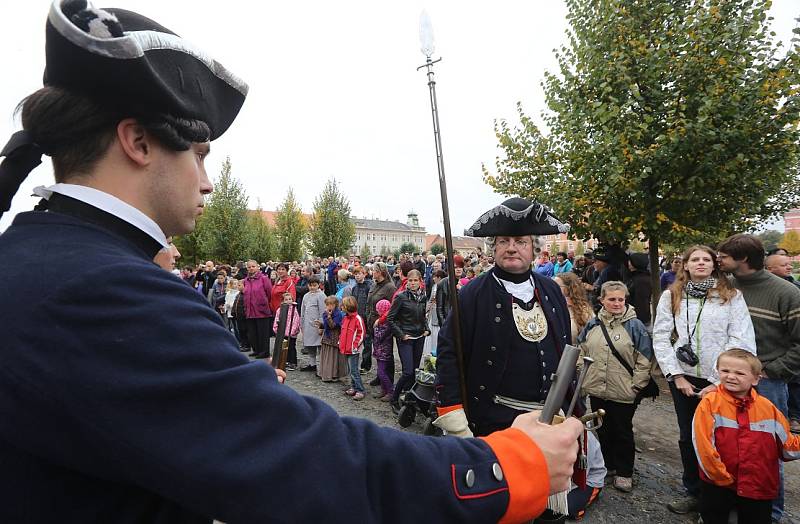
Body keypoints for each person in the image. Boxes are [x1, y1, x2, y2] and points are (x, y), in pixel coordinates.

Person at [0, 2, 583, 522]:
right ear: (139, 142)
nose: (206, 184)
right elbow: (308, 463)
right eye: (199, 155)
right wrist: (509, 467)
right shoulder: (106, 290)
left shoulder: (40, 256)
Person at [435, 197, 573, 438]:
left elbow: (564, 349)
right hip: (493, 423)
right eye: (504, 241)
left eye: (521, 241)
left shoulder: (551, 291)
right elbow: (449, 354)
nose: (512, 247)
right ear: (494, 247)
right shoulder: (473, 294)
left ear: (534, 248)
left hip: (549, 422)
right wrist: (455, 419)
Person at [652, 245, 756, 515]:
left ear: (714, 265)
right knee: (689, 437)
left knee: (722, 439)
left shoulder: (730, 296)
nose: (700, 263)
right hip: (684, 378)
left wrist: (717, 380)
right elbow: (661, 337)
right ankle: (695, 493)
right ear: (685, 265)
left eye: (706, 259)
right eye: (694, 259)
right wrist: (675, 376)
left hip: (722, 380)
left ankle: (722, 498)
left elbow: (740, 338)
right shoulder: (671, 295)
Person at [717, 234, 800, 522]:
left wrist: (770, 371)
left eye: (724, 256)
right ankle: (737, 506)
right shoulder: (727, 287)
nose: (719, 260)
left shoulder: (786, 293)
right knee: (731, 447)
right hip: (729, 382)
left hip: (768, 384)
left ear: (742, 259)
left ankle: (771, 513)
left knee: (766, 452)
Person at [692, 349, 800, 524]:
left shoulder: (768, 408)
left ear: (756, 379)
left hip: (757, 486)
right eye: (725, 371)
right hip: (719, 486)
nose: (731, 376)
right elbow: (703, 446)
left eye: (740, 373)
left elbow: (787, 447)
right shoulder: (710, 403)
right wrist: (720, 477)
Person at [577, 281, 654, 493]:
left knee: (622, 431)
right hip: (597, 388)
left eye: (621, 299)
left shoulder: (634, 326)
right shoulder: (593, 324)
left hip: (623, 389)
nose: (617, 303)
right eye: (612, 299)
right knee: (603, 428)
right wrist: (582, 377)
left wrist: (636, 385)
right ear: (602, 300)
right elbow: (582, 349)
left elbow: (645, 358)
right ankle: (607, 464)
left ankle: (624, 471)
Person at [387, 269, 430, 412]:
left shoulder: (422, 297)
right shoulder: (401, 297)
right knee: (407, 371)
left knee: (416, 371)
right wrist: (401, 334)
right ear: (407, 282)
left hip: (419, 337)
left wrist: (426, 328)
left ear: (420, 282)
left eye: (415, 281)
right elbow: (390, 319)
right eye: (410, 281)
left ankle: (411, 399)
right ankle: (394, 398)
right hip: (406, 338)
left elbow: (423, 316)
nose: (412, 283)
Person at [366, 262, 397, 388]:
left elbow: (392, 308)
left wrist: (383, 321)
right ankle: (380, 376)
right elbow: (369, 303)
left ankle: (388, 379)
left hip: (383, 326)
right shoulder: (374, 285)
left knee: (386, 354)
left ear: (380, 272)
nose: (372, 272)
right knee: (377, 351)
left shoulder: (390, 288)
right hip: (372, 322)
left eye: (374, 270)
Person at [343, 265, 372, 375]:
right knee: (356, 341)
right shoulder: (354, 288)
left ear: (364, 274)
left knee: (367, 342)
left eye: (359, 273)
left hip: (365, 318)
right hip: (356, 318)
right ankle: (354, 364)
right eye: (355, 274)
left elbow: (369, 303)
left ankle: (366, 365)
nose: (357, 276)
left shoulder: (369, 286)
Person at [243, 259, 274, 359]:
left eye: (253, 266)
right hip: (250, 310)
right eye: (249, 267)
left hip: (262, 310)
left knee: (263, 333)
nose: (251, 268)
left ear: (257, 267)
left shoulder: (264, 279)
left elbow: (269, 293)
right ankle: (256, 350)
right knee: (252, 332)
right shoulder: (246, 280)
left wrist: (264, 303)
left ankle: (264, 351)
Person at [554, 272, 594, 342]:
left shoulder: (584, 310)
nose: (553, 288)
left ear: (569, 288)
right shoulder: (551, 306)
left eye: (557, 286)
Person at [340, 296, 366, 400]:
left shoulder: (357, 319)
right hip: (346, 348)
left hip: (353, 349)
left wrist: (355, 345)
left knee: (354, 370)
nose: (341, 307)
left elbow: (361, 333)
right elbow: (343, 332)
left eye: (343, 305)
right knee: (351, 369)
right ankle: (354, 386)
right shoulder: (345, 318)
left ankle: (360, 389)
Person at [318, 295, 347, 382]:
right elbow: (326, 325)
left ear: (335, 305)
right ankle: (325, 373)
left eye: (331, 305)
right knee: (326, 355)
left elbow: (333, 325)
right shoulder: (325, 313)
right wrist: (321, 325)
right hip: (327, 337)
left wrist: (329, 317)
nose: (329, 307)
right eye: (327, 305)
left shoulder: (338, 314)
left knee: (332, 356)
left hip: (334, 338)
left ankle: (333, 374)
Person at [299, 276, 325, 372]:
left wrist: (321, 325)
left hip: (316, 325)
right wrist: (302, 323)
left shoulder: (321, 295)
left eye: (315, 285)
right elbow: (303, 310)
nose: (312, 287)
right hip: (307, 325)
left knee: (319, 345)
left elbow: (323, 311)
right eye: (311, 285)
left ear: (318, 285)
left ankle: (322, 366)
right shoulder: (306, 296)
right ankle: (312, 364)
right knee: (310, 345)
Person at [371, 299, 395, 401]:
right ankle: (384, 390)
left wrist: (375, 327)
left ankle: (390, 391)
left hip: (384, 351)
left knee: (382, 372)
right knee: (381, 371)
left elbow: (379, 336)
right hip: (380, 350)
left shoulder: (386, 322)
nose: (377, 311)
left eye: (378, 309)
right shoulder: (382, 320)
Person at [273, 292, 300, 370]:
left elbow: (296, 321)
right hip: (282, 333)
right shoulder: (279, 310)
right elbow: (277, 319)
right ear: (283, 301)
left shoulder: (294, 310)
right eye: (286, 299)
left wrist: (292, 331)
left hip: (291, 334)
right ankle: (286, 361)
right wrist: (276, 329)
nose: (288, 301)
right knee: (284, 348)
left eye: (290, 299)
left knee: (291, 347)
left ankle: (293, 362)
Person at [625, 252, 652, 326]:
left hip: (638, 320)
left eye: (630, 261)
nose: (628, 264)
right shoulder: (634, 277)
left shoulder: (641, 280)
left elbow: (641, 302)